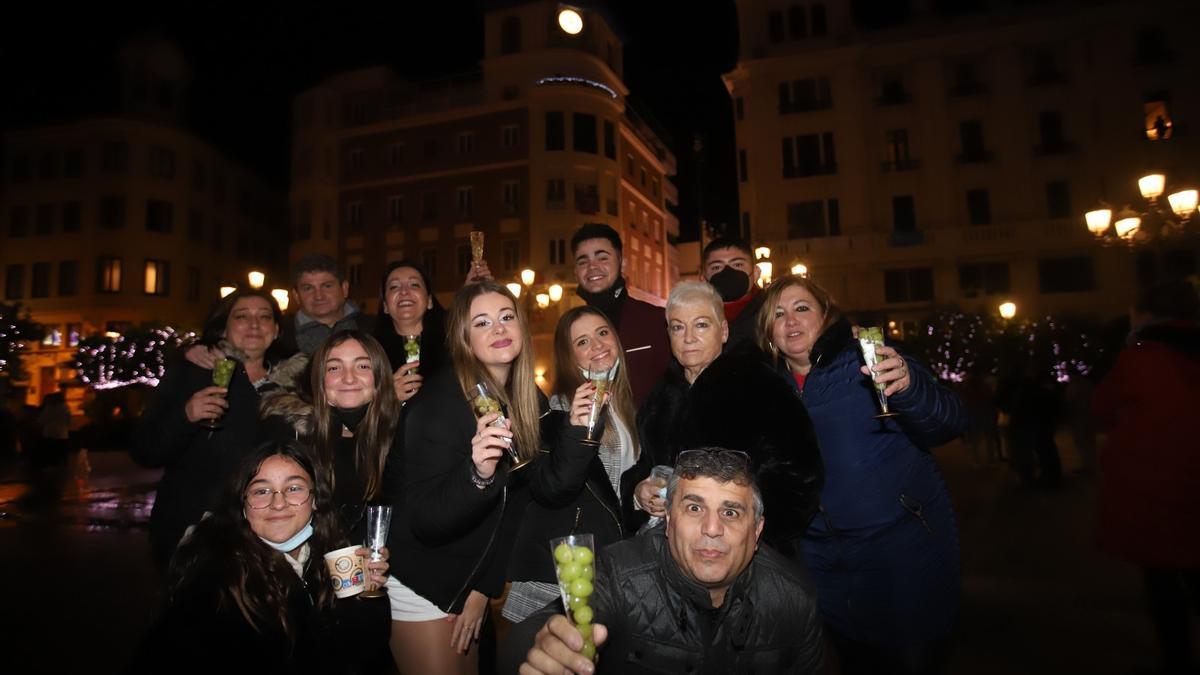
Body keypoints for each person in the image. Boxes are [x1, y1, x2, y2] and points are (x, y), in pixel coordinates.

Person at [756, 274, 964, 675]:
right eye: (778, 314)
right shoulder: (771, 391)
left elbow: (949, 421)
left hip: (901, 551)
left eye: (802, 308)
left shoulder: (867, 360)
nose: (791, 321)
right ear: (769, 332)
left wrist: (910, 385)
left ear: (826, 316)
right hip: (824, 564)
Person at [504, 447, 828, 674]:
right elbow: (545, 629)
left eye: (730, 512)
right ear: (669, 521)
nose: (712, 529)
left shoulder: (794, 599)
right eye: (694, 508)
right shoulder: (620, 573)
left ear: (757, 530)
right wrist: (541, 647)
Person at [388, 280, 543, 674]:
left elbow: (515, 509)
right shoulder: (439, 404)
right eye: (482, 322)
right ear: (463, 338)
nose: (499, 329)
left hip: (470, 582)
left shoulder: (525, 399)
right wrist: (477, 474)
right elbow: (424, 520)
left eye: (507, 317)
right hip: (426, 585)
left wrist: (482, 588)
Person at [129, 442, 388, 674]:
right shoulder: (214, 582)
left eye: (294, 488)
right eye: (262, 491)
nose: (278, 503)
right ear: (243, 505)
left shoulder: (327, 560)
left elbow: (361, 654)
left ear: (315, 500)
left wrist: (368, 595)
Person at [632, 281, 823, 559]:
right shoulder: (659, 398)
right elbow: (645, 465)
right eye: (677, 326)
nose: (688, 338)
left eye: (701, 325)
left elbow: (801, 476)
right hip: (672, 558)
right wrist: (640, 491)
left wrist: (741, 532)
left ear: (723, 331)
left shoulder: (759, 385)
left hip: (747, 558)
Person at [259, 330, 400, 669]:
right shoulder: (295, 443)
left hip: (375, 603)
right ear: (320, 382)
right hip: (305, 611)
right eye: (334, 368)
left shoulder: (402, 440)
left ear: (380, 378)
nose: (348, 377)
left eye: (362, 366)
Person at [502, 306, 641, 624]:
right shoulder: (563, 410)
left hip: (603, 568)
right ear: (569, 357)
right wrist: (577, 429)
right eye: (582, 342)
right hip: (559, 576)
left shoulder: (625, 406)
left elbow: (615, 489)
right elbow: (553, 486)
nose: (598, 345)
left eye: (603, 333)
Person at [131, 288, 284, 571]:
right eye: (242, 316)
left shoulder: (292, 387)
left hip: (270, 537)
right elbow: (145, 450)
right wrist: (185, 416)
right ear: (223, 328)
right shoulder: (192, 373)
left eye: (264, 317)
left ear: (275, 330)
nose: (254, 324)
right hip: (195, 535)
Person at [1092, 280, 1200, 675]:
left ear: (1146, 314)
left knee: (1164, 581)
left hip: (1156, 487)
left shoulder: (1142, 357)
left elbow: (1101, 406)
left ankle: (1177, 660)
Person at [569, 223, 670, 407]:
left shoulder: (656, 320)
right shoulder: (570, 332)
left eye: (602, 258)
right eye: (583, 261)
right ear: (576, 272)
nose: (592, 267)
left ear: (622, 263)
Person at [374, 260, 447, 404]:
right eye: (394, 287)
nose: (404, 291)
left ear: (430, 301)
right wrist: (386, 399)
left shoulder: (453, 347)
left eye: (414, 285)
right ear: (385, 306)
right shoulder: (370, 354)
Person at [700, 236, 765, 351]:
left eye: (738, 265)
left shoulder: (772, 313)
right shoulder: (694, 320)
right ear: (703, 279)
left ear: (756, 273)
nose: (727, 272)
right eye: (716, 267)